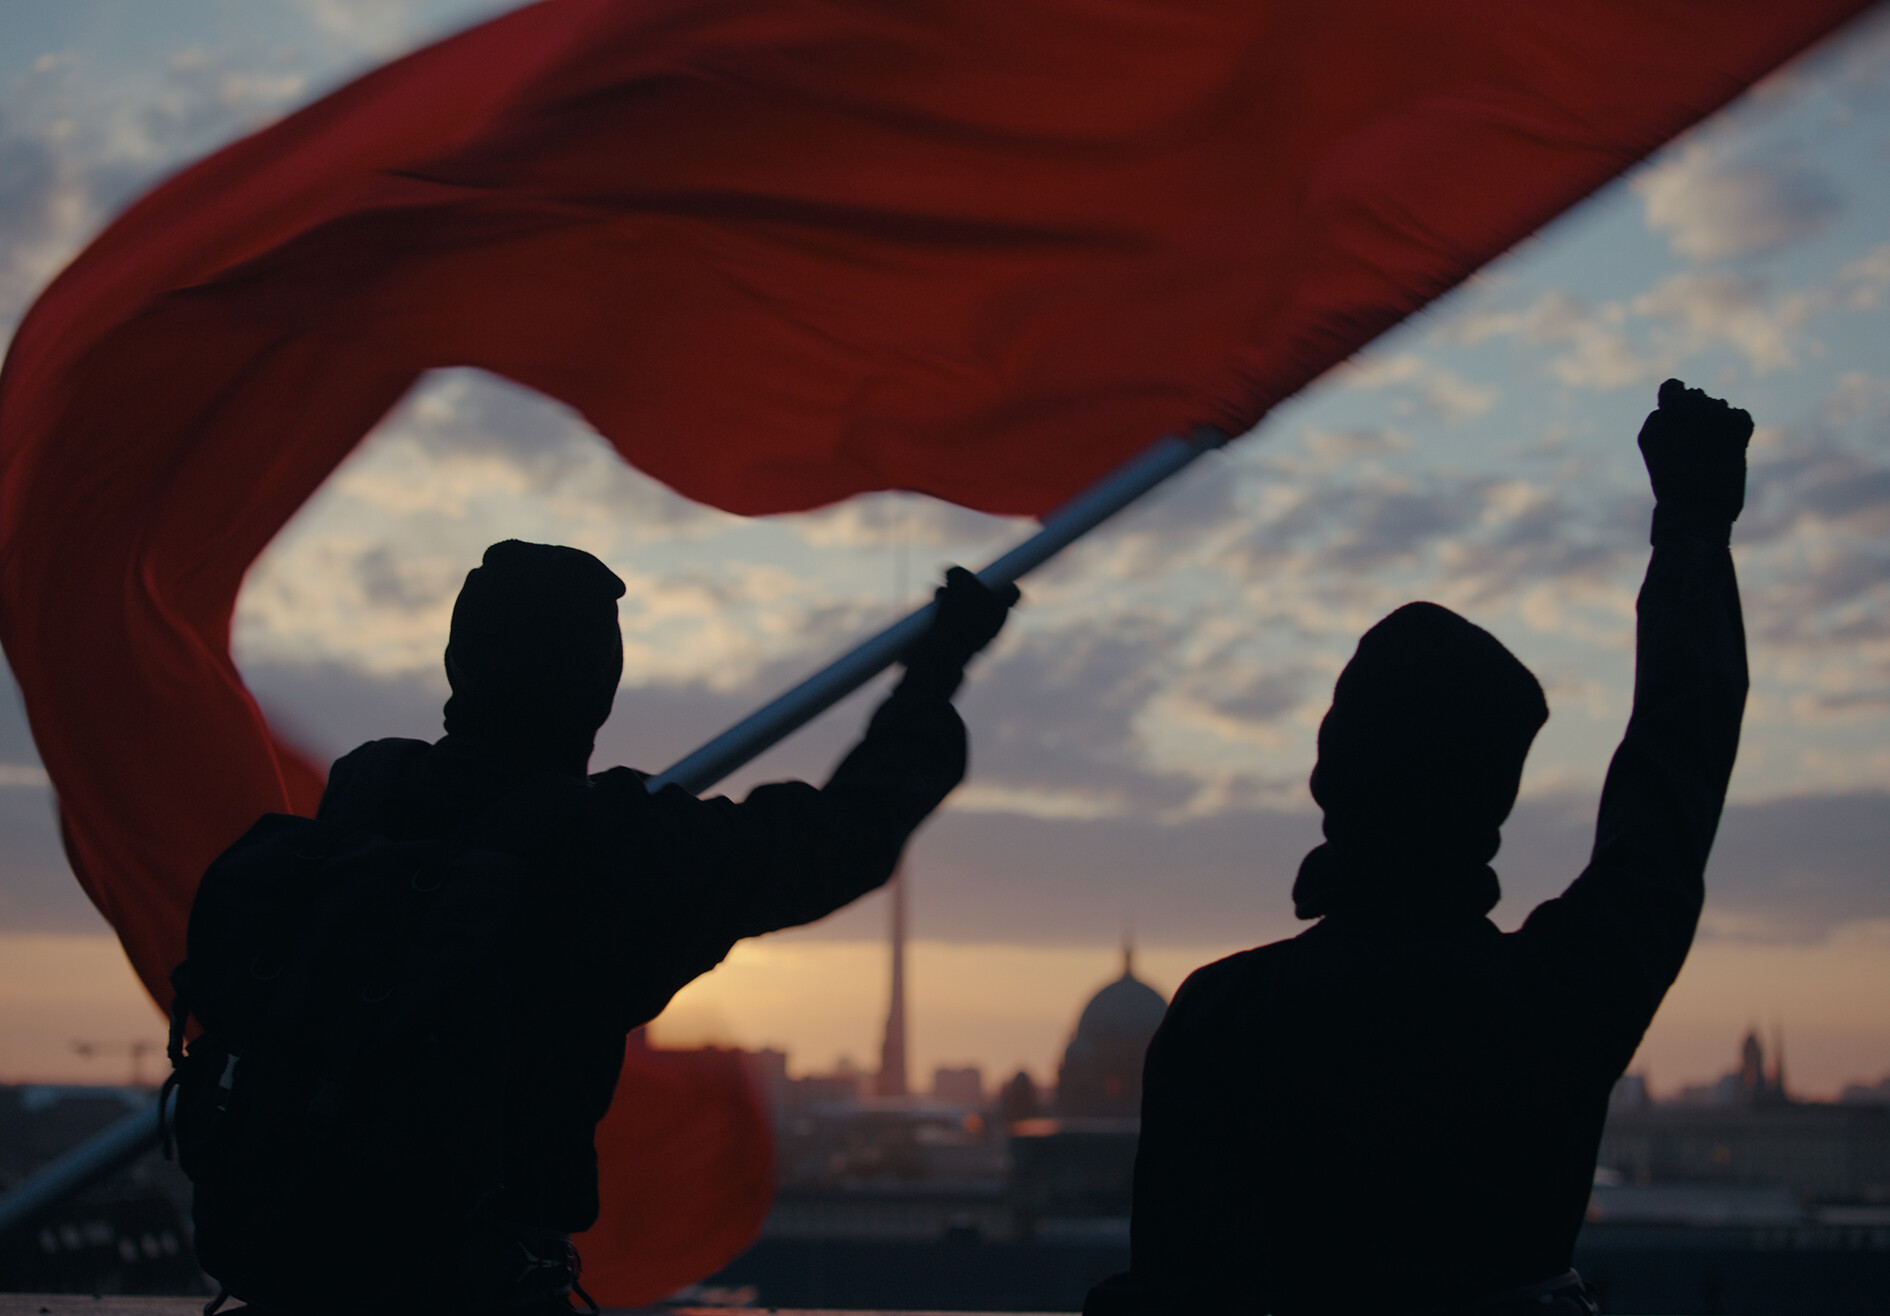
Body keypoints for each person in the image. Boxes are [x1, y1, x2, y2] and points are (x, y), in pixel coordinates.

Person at [1086, 380, 1750, 1315]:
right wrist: (1693, 533)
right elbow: (1673, 777)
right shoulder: (1559, 997)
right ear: (1491, 797)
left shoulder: (1225, 1018)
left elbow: (1173, 1293)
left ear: (1329, 780)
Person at [314, 545, 1017, 1312]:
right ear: (602, 687)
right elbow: (845, 836)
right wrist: (934, 676)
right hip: (483, 1285)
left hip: (307, 1266)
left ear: (459, 664)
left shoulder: (365, 798)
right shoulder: (613, 853)